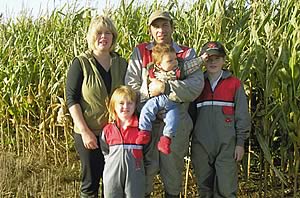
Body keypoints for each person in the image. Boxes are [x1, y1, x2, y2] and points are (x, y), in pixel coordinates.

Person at [125, 10, 205, 197]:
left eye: (165, 25)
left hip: (177, 124)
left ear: (172, 27)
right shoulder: (141, 52)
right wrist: (150, 95)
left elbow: (195, 86)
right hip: (147, 124)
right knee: (146, 172)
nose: (161, 30)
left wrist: (166, 88)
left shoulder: (186, 54)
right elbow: (130, 85)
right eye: (156, 26)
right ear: (150, 30)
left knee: (173, 176)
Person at [66, 15, 127, 198]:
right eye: (99, 32)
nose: (103, 37)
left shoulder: (121, 63)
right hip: (89, 133)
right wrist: (85, 131)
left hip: (115, 134)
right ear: (92, 36)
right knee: (90, 183)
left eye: (107, 33)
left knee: (112, 183)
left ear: (113, 37)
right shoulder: (81, 63)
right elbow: (72, 99)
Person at [191, 41, 251, 197]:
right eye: (209, 58)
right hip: (201, 146)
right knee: (204, 188)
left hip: (227, 146)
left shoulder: (234, 84)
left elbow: (242, 116)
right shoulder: (197, 84)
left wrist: (240, 143)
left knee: (225, 189)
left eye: (217, 58)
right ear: (203, 60)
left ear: (224, 60)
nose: (212, 62)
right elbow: (188, 116)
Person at [137, 43, 207, 155]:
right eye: (170, 61)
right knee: (147, 111)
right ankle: (144, 131)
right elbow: (142, 89)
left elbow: (191, 66)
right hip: (155, 100)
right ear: (159, 65)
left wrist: (201, 59)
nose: (175, 62)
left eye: (175, 59)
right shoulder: (151, 71)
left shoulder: (178, 70)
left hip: (172, 103)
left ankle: (166, 139)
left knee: (173, 119)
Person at [100, 85, 146, 198]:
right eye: (121, 103)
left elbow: (148, 152)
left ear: (135, 106)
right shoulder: (108, 130)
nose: (125, 107)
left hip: (135, 174)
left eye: (130, 103)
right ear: (113, 106)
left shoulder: (141, 129)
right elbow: (105, 150)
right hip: (112, 175)